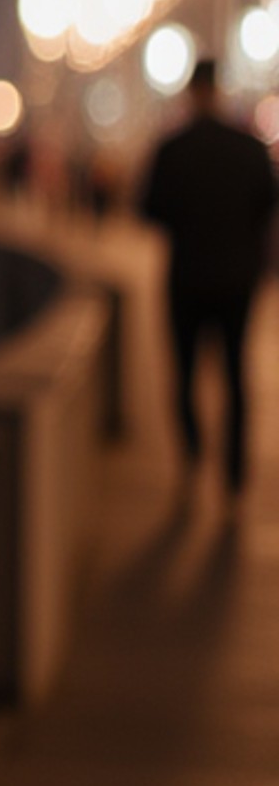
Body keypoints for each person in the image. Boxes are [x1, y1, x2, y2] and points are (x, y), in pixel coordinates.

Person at [137, 55, 279, 496]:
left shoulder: (172, 149)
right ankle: (235, 475)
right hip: (238, 279)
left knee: (184, 372)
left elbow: (148, 210)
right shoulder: (248, 148)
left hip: (187, 279)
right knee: (237, 374)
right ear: (218, 90)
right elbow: (269, 205)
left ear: (190, 93)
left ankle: (193, 456)